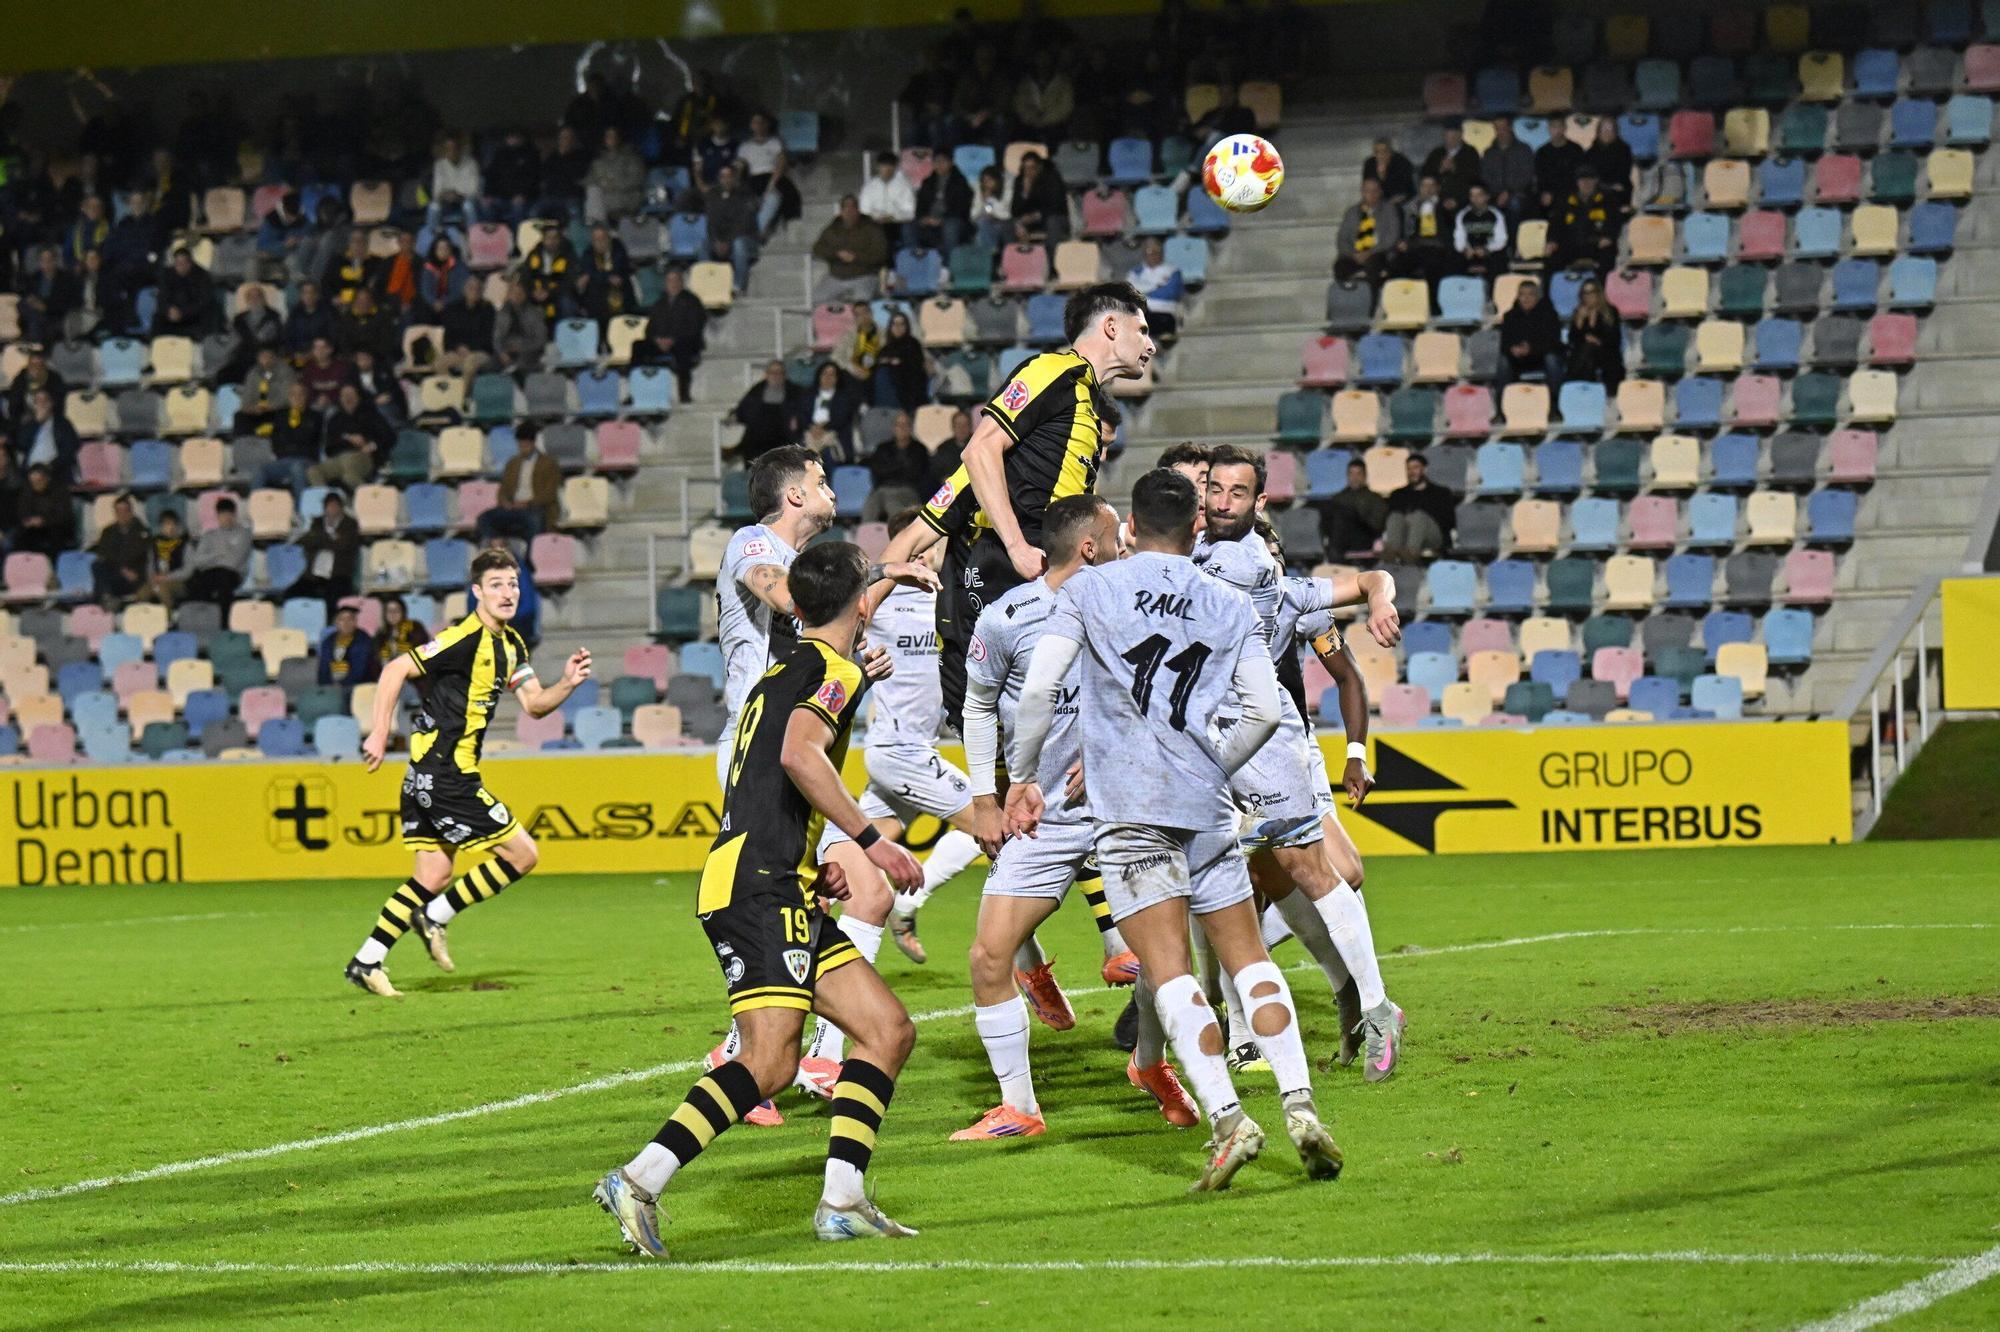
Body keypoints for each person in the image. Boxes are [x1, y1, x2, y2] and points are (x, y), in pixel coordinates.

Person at [1004, 468, 1341, 1189]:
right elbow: (1266, 712)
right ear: (1196, 526)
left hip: (1130, 812)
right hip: (1209, 806)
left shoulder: (1091, 589)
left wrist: (1022, 776)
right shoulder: (1226, 599)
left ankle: (1227, 1117)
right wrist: (1215, 764)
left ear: (1129, 525)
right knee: (1250, 960)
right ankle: (1300, 1105)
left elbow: (1038, 689)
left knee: (1168, 974)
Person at [594, 542, 926, 1256]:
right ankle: (639, 1179)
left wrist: (812, 859)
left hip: (775, 880)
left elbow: (768, 780)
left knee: (887, 1030)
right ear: (861, 603)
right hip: (758, 888)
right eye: (873, 588)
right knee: (771, 1063)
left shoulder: (787, 669)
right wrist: (872, 843)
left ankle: (843, 1201)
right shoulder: (831, 670)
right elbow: (799, 755)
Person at [952, 492, 1193, 1141]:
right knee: (987, 955)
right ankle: (1020, 1108)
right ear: (1089, 546)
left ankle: (1149, 1065)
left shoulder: (1139, 606)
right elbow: (977, 706)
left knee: (1162, 957)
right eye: (1118, 535)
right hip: (1043, 815)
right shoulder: (1008, 618)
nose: (1127, 544)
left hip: (1128, 808)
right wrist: (982, 797)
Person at [1193, 449, 1406, 1079]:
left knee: (1314, 868)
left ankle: (1374, 1006)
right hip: (1205, 736)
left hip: (1266, 739)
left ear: (1260, 506)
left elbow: (1350, 655)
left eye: (1238, 492)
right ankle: (1308, 1002)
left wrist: (1380, 597)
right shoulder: (1206, 555)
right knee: (1248, 876)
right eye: (1213, 489)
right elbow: (1365, 584)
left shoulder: (1252, 566)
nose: (1222, 500)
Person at [878, 282, 1153, 734]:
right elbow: (978, 451)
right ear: (1109, 326)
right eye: (1141, 330)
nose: (1150, 344)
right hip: (1000, 582)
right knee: (1005, 756)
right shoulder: (1052, 371)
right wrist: (1018, 546)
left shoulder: (1081, 403)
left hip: (1036, 588)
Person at [344, 547, 593, 996]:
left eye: (513, 584)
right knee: (523, 855)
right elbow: (396, 668)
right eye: (495, 585)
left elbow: (535, 704)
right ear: (476, 591)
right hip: (446, 774)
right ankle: (436, 916)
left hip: (426, 775)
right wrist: (379, 732)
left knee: (433, 875)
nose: (507, 593)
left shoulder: (512, 645)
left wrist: (567, 684)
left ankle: (368, 960)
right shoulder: (463, 637)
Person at [638, 266, 708, 402]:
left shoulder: (692, 301)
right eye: (670, 281)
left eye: (676, 280)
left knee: (684, 348)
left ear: (682, 282)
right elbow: (649, 329)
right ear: (665, 283)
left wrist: (673, 340)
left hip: (684, 341)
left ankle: (684, 395)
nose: (673, 284)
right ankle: (637, 390)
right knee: (638, 347)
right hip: (661, 343)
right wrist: (657, 340)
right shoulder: (660, 303)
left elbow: (694, 327)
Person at [480, 423, 560, 539]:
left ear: (533, 443)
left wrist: (527, 503)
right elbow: (502, 490)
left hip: (536, 507)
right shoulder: (512, 463)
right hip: (513, 507)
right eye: (520, 445)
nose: (523, 449)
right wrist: (504, 502)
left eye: (526, 445)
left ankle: (531, 556)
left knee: (534, 521)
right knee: (484, 518)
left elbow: (550, 494)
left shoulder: (549, 463)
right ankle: (497, 546)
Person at [289, 491, 363, 610]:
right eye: (329, 506)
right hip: (313, 575)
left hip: (338, 575)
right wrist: (331, 538)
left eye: (335, 505)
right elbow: (306, 541)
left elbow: (343, 545)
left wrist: (321, 539)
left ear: (341, 507)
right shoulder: (317, 522)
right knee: (293, 593)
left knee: (333, 598)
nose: (332, 509)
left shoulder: (350, 524)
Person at [1545, 165, 1621, 278]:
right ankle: (1551, 294)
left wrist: (1609, 237)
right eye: (1582, 180)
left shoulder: (1608, 199)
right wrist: (1552, 241)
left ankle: (1602, 293)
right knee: (1552, 261)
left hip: (1597, 245)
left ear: (1596, 181)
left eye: (1590, 179)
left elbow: (1615, 222)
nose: (1586, 183)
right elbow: (1555, 224)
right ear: (1577, 182)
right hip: (1571, 245)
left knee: (1607, 258)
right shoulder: (1566, 200)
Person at [176, 495, 252, 609]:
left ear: (235, 514)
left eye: (229, 514)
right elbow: (198, 561)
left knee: (223, 578)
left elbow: (234, 562)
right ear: (217, 516)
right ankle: (197, 618)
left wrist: (212, 560)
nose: (227, 517)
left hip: (233, 574)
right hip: (210, 573)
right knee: (196, 582)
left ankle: (223, 621)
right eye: (223, 514)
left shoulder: (244, 534)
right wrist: (219, 554)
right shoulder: (209, 535)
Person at [310, 382, 391, 489]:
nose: (348, 398)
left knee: (349, 474)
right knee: (313, 471)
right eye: (345, 395)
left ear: (358, 397)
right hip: (338, 458)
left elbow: (389, 436)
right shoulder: (334, 419)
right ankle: (330, 500)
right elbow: (328, 447)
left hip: (363, 456)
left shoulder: (371, 415)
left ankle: (368, 498)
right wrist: (347, 439)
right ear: (340, 398)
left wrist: (371, 445)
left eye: (351, 395)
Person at [811, 195, 889, 305]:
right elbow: (817, 248)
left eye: (852, 208)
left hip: (864, 275)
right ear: (841, 211)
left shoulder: (872, 227)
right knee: (816, 299)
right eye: (845, 208)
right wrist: (836, 254)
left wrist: (856, 257)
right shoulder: (833, 227)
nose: (849, 211)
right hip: (836, 276)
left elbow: (881, 254)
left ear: (858, 210)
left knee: (861, 302)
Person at [1382, 452, 1458, 561]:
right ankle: (1390, 555)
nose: (1412, 472)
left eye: (1415, 468)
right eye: (1408, 469)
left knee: (1418, 516)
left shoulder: (1441, 493)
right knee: (1395, 516)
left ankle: (1410, 554)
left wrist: (1417, 518)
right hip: (1405, 535)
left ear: (1424, 469)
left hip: (1433, 536)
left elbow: (1449, 522)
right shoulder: (1398, 494)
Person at [1390, 174, 1458, 290]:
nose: (1428, 189)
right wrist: (1401, 242)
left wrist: (1447, 209)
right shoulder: (1409, 208)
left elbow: (1451, 231)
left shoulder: (1446, 206)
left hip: (1438, 247)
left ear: (1438, 188)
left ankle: (1433, 305)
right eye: (1424, 186)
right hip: (1415, 246)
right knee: (1397, 264)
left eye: (1432, 186)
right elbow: (1403, 231)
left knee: (1433, 265)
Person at [1334, 177, 1401, 288]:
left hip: (1378, 252)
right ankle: (1348, 298)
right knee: (1340, 267)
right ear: (1362, 192)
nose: (1371, 194)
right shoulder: (1352, 212)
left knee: (1374, 266)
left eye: (1374, 191)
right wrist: (1353, 254)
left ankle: (1368, 300)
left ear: (1380, 192)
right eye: (1367, 191)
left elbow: (1392, 237)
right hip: (1354, 253)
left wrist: (1370, 252)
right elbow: (1342, 238)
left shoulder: (1390, 210)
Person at [705, 164, 762, 294]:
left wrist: (728, 242)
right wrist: (716, 241)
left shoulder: (746, 195)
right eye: (723, 176)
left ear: (735, 178)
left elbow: (744, 224)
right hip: (722, 240)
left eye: (729, 176)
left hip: (747, 239)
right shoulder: (713, 197)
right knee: (704, 246)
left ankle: (738, 286)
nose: (726, 180)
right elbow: (711, 223)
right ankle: (707, 284)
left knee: (739, 244)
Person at [1499, 277, 1564, 386]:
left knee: (1552, 359)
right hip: (1518, 359)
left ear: (1537, 297)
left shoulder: (1549, 315)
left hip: (1541, 357)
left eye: (1530, 294)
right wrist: (1512, 349)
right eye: (1522, 294)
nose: (1526, 298)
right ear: (1518, 297)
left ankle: (1555, 399)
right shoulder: (1509, 316)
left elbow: (1554, 342)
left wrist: (1531, 349)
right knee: (1503, 361)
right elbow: (1504, 342)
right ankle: (1502, 399)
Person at [864, 414, 929, 520]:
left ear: (911, 428)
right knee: (869, 505)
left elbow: (916, 473)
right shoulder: (883, 448)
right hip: (883, 488)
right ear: (893, 428)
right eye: (899, 425)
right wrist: (901, 466)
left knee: (892, 504)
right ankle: (866, 536)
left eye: (905, 425)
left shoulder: (919, 449)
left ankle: (898, 535)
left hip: (908, 489)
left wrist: (891, 467)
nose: (902, 428)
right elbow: (878, 469)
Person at [792, 361, 861, 461]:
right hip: (810, 432)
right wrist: (811, 427)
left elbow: (843, 417)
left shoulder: (844, 397)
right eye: (825, 373)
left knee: (828, 455)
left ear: (837, 378)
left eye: (832, 374)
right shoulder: (807, 395)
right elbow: (802, 414)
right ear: (819, 376)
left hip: (833, 433)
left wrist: (824, 428)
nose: (828, 377)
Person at [1565, 277, 1625, 390]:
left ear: (1599, 293)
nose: (1588, 297)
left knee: (1588, 350)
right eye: (1585, 293)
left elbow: (1614, 339)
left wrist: (1597, 341)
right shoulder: (1578, 312)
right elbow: (1572, 340)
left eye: (1591, 292)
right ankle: (1585, 389)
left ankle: (1571, 384)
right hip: (1584, 354)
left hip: (1607, 353)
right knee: (1587, 352)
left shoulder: (1610, 312)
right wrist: (1579, 322)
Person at [1320, 458, 1387, 556]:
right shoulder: (1338, 497)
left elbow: (1376, 526)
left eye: (1358, 474)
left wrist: (1356, 517)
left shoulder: (1375, 498)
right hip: (1340, 537)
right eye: (1351, 473)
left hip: (1364, 538)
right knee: (1328, 509)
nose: (1354, 477)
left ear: (1364, 476)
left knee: (1345, 514)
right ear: (1347, 476)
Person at [729, 360, 794, 463]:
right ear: (766, 375)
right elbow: (744, 409)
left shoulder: (794, 391)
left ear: (784, 375)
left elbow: (801, 410)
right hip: (758, 436)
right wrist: (735, 415)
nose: (776, 376)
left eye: (779, 373)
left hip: (783, 435)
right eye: (772, 373)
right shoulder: (757, 390)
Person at [263, 381, 321, 493]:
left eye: (300, 394)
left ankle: (300, 509)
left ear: (306, 396)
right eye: (293, 394)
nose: (297, 398)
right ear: (289, 397)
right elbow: (275, 439)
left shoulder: (315, 417)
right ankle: (257, 507)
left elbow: (309, 438)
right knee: (261, 470)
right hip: (284, 459)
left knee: (297, 468)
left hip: (306, 459)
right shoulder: (281, 416)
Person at [91, 495, 150, 603]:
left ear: (131, 512)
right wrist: (122, 569)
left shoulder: (143, 533)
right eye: (118, 511)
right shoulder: (108, 532)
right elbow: (104, 554)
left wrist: (134, 573)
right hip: (115, 574)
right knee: (97, 565)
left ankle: (106, 601)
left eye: (125, 511)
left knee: (103, 583)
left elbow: (143, 557)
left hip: (135, 578)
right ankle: (107, 600)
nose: (122, 515)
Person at [1128, 237, 1186, 343]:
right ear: (1144, 254)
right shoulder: (1136, 272)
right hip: (1143, 312)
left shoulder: (1173, 271)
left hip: (1165, 311)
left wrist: (1144, 291)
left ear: (1162, 253)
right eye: (1150, 251)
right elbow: (1130, 292)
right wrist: (1156, 286)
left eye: (1157, 251)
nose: (1154, 255)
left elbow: (1170, 293)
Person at [17, 387, 80, 483]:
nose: (41, 404)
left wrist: (50, 467)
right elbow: (21, 445)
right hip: (31, 473)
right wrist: (36, 423)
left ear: (51, 403)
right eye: (38, 401)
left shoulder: (63, 424)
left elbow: (70, 449)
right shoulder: (29, 424)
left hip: (55, 471)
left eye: (45, 400)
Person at [585, 125, 646, 223]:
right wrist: (601, 183)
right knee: (593, 191)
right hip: (604, 201)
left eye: (614, 136)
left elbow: (637, 179)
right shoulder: (599, 161)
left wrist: (613, 184)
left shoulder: (632, 158)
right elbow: (590, 180)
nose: (611, 139)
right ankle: (597, 228)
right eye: (608, 136)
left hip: (626, 198)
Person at [1452, 181, 1509, 285]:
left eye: (1479, 195)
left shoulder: (1496, 214)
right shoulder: (1462, 215)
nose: (1475, 199)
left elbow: (1501, 239)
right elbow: (1459, 238)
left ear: (1486, 197)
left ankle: (1494, 296)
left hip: (1490, 252)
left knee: (1499, 262)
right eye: (1472, 195)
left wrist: (1487, 249)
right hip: (1469, 252)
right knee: (1454, 262)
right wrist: (1465, 249)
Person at [12, 464, 74, 556]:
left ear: (47, 478)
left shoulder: (60, 491)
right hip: (33, 530)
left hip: (56, 530)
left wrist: (43, 521)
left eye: (38, 481)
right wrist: (28, 520)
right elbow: (22, 511)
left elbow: (63, 516)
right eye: (32, 482)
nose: (35, 485)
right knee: (19, 539)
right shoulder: (27, 491)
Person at [911, 159, 971, 255]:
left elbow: (961, 209)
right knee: (909, 225)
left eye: (943, 161)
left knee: (950, 226)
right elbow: (920, 205)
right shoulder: (927, 182)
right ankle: (913, 261)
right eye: (937, 161)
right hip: (929, 219)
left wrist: (941, 220)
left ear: (950, 163)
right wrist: (922, 217)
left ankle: (949, 265)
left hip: (951, 219)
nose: (940, 165)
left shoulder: (960, 182)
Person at [1480, 115, 1535, 220]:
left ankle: (1514, 236)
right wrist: (1497, 193)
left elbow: (1527, 176)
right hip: (1494, 195)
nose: (1501, 132)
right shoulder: (1489, 153)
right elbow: (1485, 177)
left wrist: (1508, 192)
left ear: (1510, 128)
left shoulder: (1524, 150)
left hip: (1519, 194)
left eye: (1503, 128)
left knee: (1515, 205)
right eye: (1497, 128)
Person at [858, 152, 916, 250]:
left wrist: (893, 217)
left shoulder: (904, 185)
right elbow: (864, 211)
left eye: (891, 166)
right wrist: (878, 217)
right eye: (884, 165)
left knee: (908, 230)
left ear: (895, 167)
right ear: (878, 167)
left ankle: (908, 261)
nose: (888, 169)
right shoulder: (869, 187)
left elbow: (910, 212)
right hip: (876, 223)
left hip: (897, 223)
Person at [1421, 119, 1483, 210]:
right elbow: (1425, 174)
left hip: (1463, 199)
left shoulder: (1470, 152)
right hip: (1438, 201)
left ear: (1460, 135)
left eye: (1455, 135)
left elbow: (1474, 177)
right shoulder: (1436, 153)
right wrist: (1440, 169)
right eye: (1448, 135)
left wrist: (1455, 168)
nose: (1451, 139)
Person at [439, 278, 495, 377]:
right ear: (464, 290)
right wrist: (457, 347)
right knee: (440, 363)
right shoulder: (453, 309)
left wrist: (470, 349)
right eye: (471, 288)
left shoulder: (488, 309)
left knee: (469, 364)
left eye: (478, 289)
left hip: (480, 352)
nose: (474, 291)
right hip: (458, 351)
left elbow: (488, 337)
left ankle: (465, 392)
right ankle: (451, 390)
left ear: (481, 291)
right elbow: (448, 337)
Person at [873, 311, 927, 412]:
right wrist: (892, 362)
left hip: (910, 389)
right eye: (894, 324)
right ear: (890, 327)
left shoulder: (913, 344)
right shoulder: (886, 348)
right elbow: (879, 362)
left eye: (901, 324)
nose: (898, 327)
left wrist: (897, 363)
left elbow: (915, 366)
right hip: (891, 387)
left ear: (907, 327)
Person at [428, 134, 482, 229]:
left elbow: (474, 190)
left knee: (468, 206)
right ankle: (435, 239)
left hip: (465, 199)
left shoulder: (471, 163)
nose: (451, 152)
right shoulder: (439, 165)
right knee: (433, 207)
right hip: (446, 200)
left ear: (460, 149)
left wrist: (458, 194)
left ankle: (472, 238)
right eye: (448, 149)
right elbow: (436, 191)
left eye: (454, 148)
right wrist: (445, 194)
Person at [494, 278, 550, 371]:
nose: (517, 296)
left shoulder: (535, 313)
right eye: (514, 293)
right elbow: (497, 338)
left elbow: (541, 339)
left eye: (520, 293)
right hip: (508, 349)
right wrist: (502, 353)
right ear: (509, 295)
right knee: (493, 363)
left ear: (525, 295)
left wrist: (522, 348)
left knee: (523, 363)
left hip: (528, 350)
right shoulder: (502, 314)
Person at [1533, 118, 1584, 218]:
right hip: (1548, 194)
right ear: (1548, 129)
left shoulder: (1576, 150)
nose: (1557, 130)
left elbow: (1578, 176)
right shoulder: (1542, 152)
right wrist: (1544, 192)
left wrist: (1556, 194)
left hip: (1571, 192)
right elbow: (1540, 177)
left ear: (1565, 128)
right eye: (1553, 127)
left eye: (1559, 126)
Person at [318, 604, 376, 688]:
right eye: (342, 619)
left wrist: (342, 685)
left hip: (357, 687)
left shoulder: (363, 640)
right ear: (336, 622)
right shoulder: (328, 642)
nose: (346, 623)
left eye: (350, 619)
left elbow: (359, 671)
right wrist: (328, 686)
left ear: (355, 621)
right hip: (332, 688)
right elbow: (323, 670)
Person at [144, 509, 187, 606]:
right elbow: (150, 565)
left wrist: (166, 577)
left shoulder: (184, 543)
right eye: (166, 524)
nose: (170, 527)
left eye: (172, 524)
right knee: (141, 594)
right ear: (161, 527)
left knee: (161, 589)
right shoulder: (155, 543)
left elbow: (187, 570)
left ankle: (169, 616)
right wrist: (152, 579)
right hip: (157, 580)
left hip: (178, 581)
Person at [375, 593, 428, 668]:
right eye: (389, 611)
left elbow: (422, 653)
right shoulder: (381, 634)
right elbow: (376, 661)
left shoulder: (415, 628)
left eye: (396, 610)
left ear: (403, 612)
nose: (392, 614)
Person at [1361, 137, 1415, 203]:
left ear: (1390, 152)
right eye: (1377, 152)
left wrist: (1383, 175)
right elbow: (1367, 186)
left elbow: (1402, 190)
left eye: (1384, 151)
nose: (1381, 155)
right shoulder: (1370, 164)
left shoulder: (1402, 163)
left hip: (1402, 199)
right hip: (1377, 201)